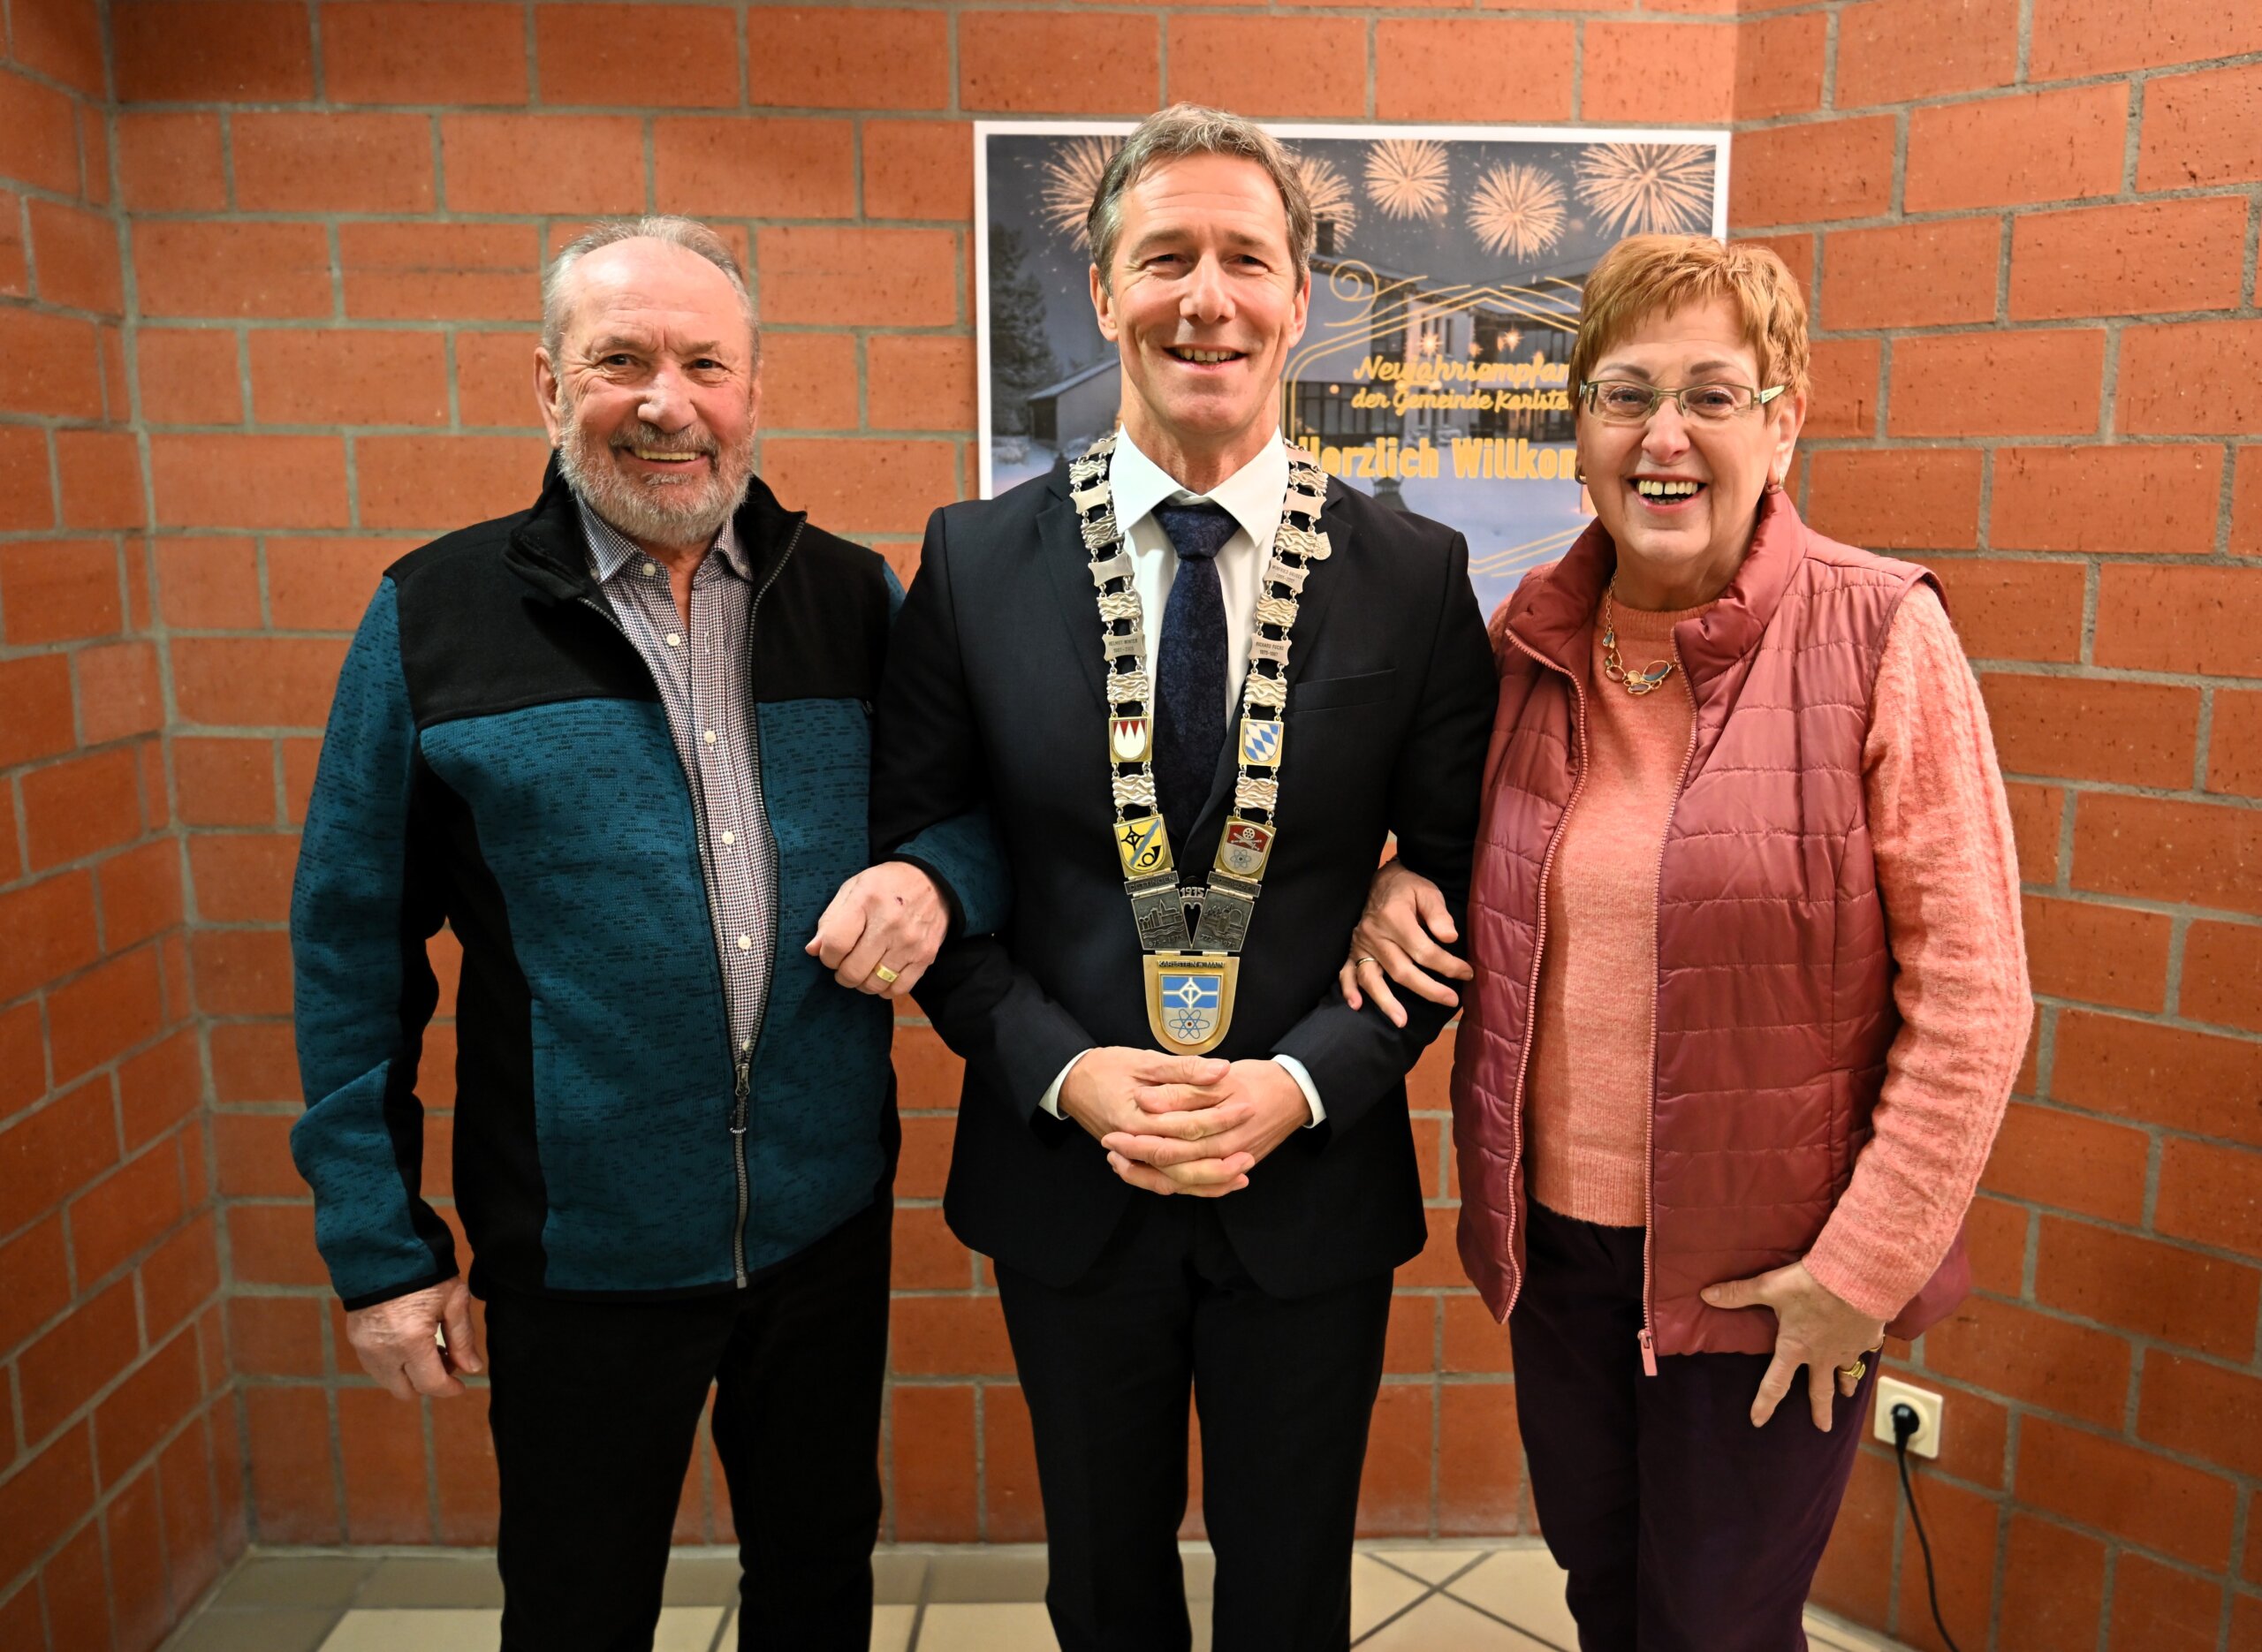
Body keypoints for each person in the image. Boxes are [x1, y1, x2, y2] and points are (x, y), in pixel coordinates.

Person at [287, 216, 1003, 1652]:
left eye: (705, 364)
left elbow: (978, 815)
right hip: (576, 1254)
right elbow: (351, 943)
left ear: (754, 389)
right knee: (577, 1605)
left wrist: (935, 878)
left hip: (821, 1230)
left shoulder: (852, 598)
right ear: (550, 386)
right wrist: (380, 1243)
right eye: (620, 360)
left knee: (817, 1585)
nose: (667, 403)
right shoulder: (434, 616)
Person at [1342, 234, 2031, 1650]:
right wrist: (1390, 879)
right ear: (1581, 429)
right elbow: (1464, 854)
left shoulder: (1879, 631)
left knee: (1716, 1627)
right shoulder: (1529, 640)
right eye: (1625, 394)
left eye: (1713, 395)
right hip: (1562, 1257)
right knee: (1607, 1595)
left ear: (1784, 422)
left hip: (1770, 1281)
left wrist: (1862, 1273)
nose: (1664, 436)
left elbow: (1976, 995)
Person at [870, 106, 1495, 1652]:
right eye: (1164, 259)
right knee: (1102, 1588)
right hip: (1069, 1174)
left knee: (1291, 1595)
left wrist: (1308, 1079)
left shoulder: (1415, 576)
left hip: (1310, 1177)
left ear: (1301, 297)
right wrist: (1063, 1070)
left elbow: (1460, 881)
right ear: (1103, 291)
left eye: (1245, 260)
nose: (1205, 299)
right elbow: (932, 868)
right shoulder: (973, 562)